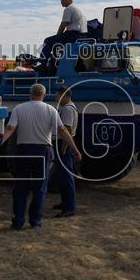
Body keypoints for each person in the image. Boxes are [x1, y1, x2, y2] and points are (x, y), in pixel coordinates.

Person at [0, 83, 82, 229]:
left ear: (30, 94)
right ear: (43, 95)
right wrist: (75, 149)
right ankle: (35, 221)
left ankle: (18, 220)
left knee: (20, 188)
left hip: (23, 150)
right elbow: (63, 131)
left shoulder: (19, 108)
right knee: (40, 188)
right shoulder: (51, 110)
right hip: (43, 150)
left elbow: (10, 128)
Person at [39, 0, 86, 72]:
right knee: (57, 45)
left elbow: (63, 25)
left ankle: (42, 65)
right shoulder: (77, 9)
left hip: (72, 35)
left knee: (48, 41)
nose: (61, 1)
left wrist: (57, 36)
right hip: (81, 35)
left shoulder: (69, 9)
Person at [51, 86, 78, 217]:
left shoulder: (67, 109)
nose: (56, 97)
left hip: (63, 144)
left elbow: (67, 129)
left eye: (58, 94)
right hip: (62, 143)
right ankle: (65, 202)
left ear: (64, 95)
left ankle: (69, 207)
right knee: (62, 175)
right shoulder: (68, 108)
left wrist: (64, 148)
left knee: (66, 176)